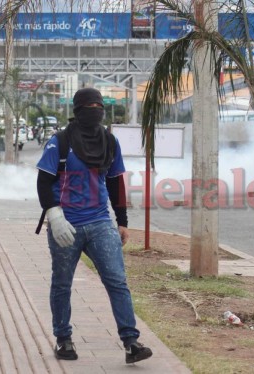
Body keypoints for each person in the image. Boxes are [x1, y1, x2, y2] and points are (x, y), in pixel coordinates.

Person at [36, 88, 152, 364]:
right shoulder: (60, 142)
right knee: (62, 283)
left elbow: (115, 181)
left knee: (116, 280)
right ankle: (63, 339)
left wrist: (121, 222)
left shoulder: (109, 142)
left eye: (99, 105)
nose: (95, 109)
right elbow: (43, 182)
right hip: (66, 224)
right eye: (90, 106)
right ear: (78, 110)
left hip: (100, 222)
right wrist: (54, 216)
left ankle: (131, 341)